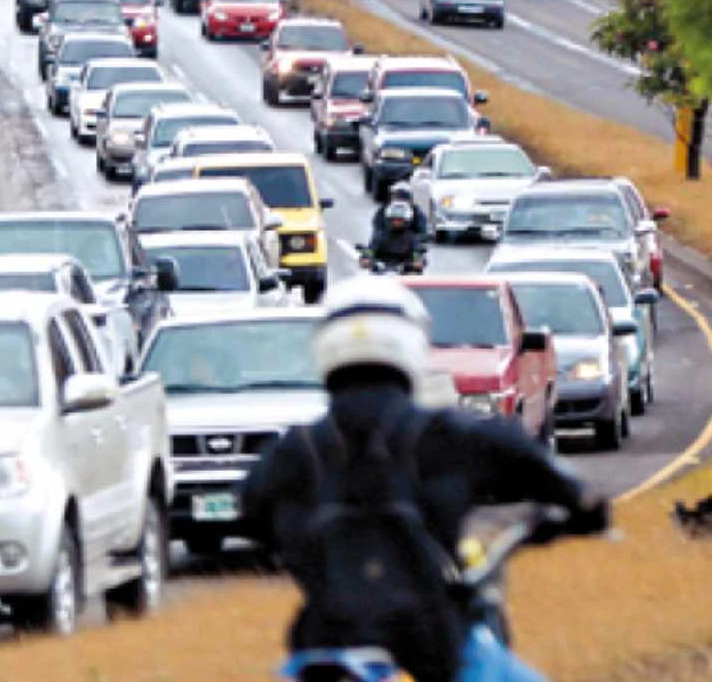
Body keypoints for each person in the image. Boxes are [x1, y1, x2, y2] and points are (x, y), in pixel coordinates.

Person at [240, 278, 609, 682]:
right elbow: (526, 457)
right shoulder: (443, 436)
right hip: (432, 647)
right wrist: (583, 502)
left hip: (324, 649)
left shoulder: (295, 450)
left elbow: (251, 507)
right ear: (412, 342)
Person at [367, 183, 428, 271]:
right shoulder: (380, 237)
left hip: (406, 269)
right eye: (394, 219)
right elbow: (371, 248)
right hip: (382, 270)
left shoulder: (412, 239)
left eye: (400, 220)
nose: (397, 222)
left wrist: (416, 262)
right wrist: (367, 257)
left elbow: (419, 253)